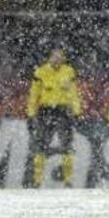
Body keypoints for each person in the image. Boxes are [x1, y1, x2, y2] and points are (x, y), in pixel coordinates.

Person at [26, 48, 82, 188]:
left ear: (63, 59)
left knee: (67, 146)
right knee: (41, 145)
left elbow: (73, 93)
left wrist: (76, 111)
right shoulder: (40, 72)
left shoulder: (69, 72)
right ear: (49, 58)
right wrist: (31, 113)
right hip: (46, 111)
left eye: (60, 57)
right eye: (54, 56)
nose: (57, 59)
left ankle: (68, 181)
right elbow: (34, 94)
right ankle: (37, 181)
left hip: (63, 111)